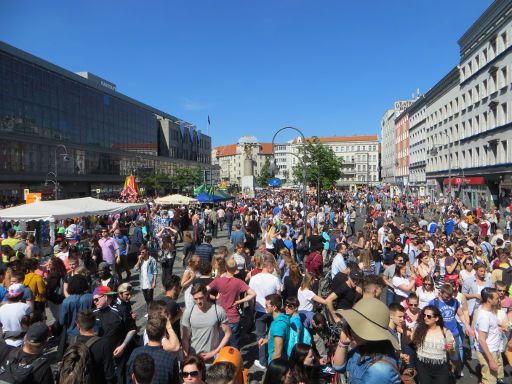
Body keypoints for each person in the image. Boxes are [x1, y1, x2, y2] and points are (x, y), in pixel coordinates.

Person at [332, 298, 401, 384]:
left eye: (355, 326)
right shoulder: (362, 349)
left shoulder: (380, 370)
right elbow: (338, 367)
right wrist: (343, 343)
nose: (350, 329)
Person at [208, 258, 256, 349]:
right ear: (236, 268)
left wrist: (214, 297)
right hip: (233, 316)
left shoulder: (217, 278)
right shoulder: (238, 281)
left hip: (220, 316)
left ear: (225, 267)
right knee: (234, 344)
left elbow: (204, 290)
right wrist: (240, 301)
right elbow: (253, 294)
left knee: (221, 343)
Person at [181, 283, 232, 364]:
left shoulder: (218, 310)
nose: (198, 302)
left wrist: (214, 352)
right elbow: (185, 337)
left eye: (201, 298)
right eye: (195, 299)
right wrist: (187, 356)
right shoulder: (188, 312)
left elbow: (228, 333)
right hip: (194, 358)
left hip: (213, 358)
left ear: (206, 295)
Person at [64, 309, 115, 384]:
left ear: (77, 324)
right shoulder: (103, 344)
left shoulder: (71, 341)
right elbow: (109, 374)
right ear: (94, 323)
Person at [249, 255, 281, 369]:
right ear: (269, 266)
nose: (274, 270)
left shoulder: (254, 278)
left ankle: (262, 361)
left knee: (260, 336)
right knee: (273, 334)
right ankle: (273, 358)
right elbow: (278, 295)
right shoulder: (274, 279)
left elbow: (251, 296)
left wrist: (252, 309)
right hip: (272, 310)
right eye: (273, 267)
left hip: (259, 310)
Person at [126, 316, 179, 384]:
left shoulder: (135, 353)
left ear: (147, 333)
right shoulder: (171, 359)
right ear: (163, 334)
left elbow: (128, 377)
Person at [411, 305, 455, 384]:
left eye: (429, 316)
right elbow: (411, 342)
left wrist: (451, 348)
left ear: (436, 318)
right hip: (422, 367)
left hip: (441, 368)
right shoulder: (419, 329)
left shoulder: (444, 332)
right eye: (424, 315)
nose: (425, 318)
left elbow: (453, 351)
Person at [474, 287, 504, 384]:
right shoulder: (484, 317)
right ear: (489, 300)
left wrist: (498, 328)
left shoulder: (489, 310)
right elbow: (482, 340)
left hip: (494, 348)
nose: (498, 299)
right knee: (489, 380)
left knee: (492, 378)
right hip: (488, 351)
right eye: (496, 298)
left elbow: (489, 328)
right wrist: (491, 360)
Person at [259, 294, 290, 364]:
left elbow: (277, 353)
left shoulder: (278, 326)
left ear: (274, 307)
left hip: (277, 364)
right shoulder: (281, 318)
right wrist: (267, 340)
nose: (265, 307)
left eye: (266, 306)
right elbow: (279, 339)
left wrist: (272, 368)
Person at [135, 245, 157, 310]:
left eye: (143, 252)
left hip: (149, 282)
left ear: (147, 252)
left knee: (150, 299)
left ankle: (150, 312)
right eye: (141, 252)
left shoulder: (152, 260)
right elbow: (135, 269)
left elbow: (155, 272)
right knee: (146, 299)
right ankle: (151, 310)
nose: (141, 254)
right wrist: (139, 260)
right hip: (143, 282)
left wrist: (154, 282)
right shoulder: (141, 260)